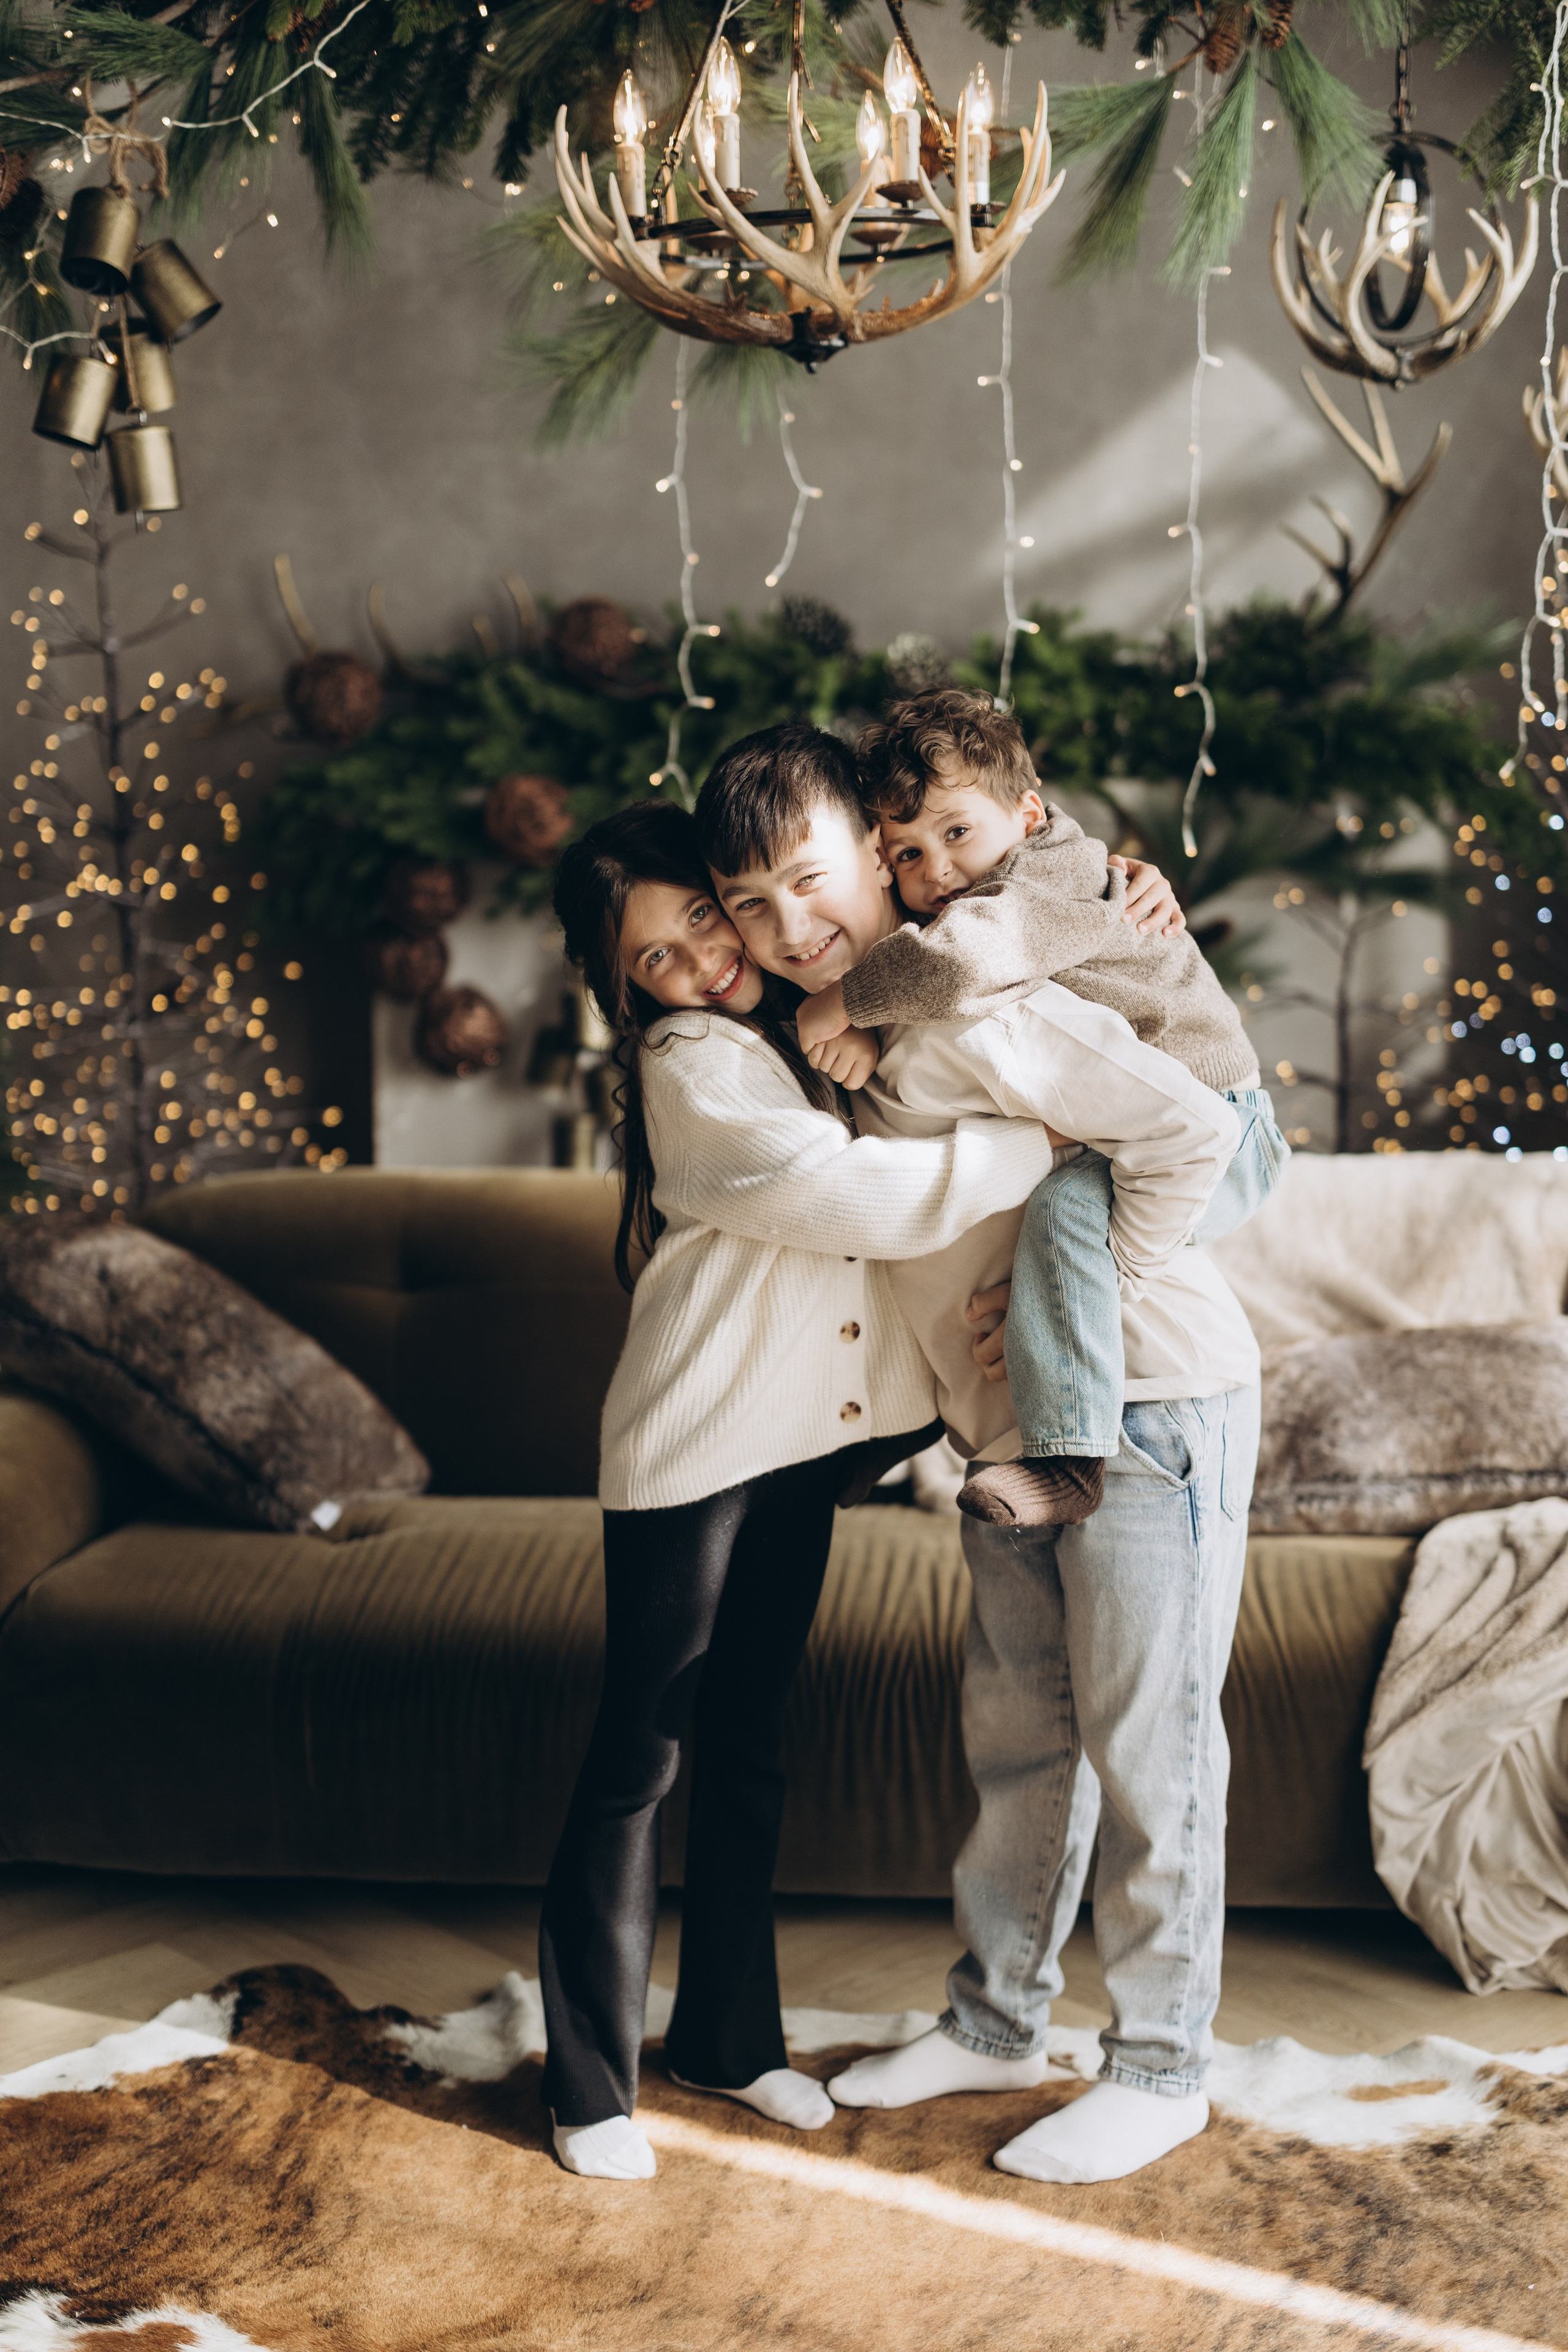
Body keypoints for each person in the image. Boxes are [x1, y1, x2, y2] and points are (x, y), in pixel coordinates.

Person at [693, 726, 1261, 2188]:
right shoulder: (837, 1038)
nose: (789, 927)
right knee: (1019, 1741)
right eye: (748, 904)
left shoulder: (983, 1006)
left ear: (878, 868)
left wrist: (1107, 1286)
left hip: (1147, 1407)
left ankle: (1159, 2066)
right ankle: (997, 2021)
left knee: (1147, 1744)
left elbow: (1193, 1129)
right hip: (1006, 1442)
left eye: (811, 882)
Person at [539, 797, 1063, 2183]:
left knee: (753, 1738)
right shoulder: (689, 1059)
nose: (698, 963)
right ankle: (587, 2081)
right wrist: (1030, 1144)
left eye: (702, 921)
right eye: (651, 959)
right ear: (625, 992)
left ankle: (725, 2038)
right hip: (694, 1445)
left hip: (803, 1447)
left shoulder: (818, 1013)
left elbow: (987, 917)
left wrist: (1114, 887)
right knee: (641, 1755)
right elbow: (834, 1195)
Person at [794, 687, 1287, 1529]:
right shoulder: (1034, 872)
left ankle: (1067, 1460)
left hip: (1224, 1119)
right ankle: (905, 1414)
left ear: (1029, 812)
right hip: (1136, 1115)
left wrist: (845, 998)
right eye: (906, 855)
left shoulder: (1036, 882)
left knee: (1063, 1216)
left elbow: (959, 964)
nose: (937, 872)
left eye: (956, 834)